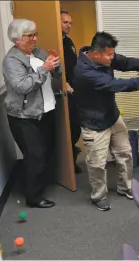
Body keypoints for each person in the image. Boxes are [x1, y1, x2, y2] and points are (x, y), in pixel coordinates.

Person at [73, 31, 139, 211]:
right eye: (109, 55)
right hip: (94, 123)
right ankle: (98, 196)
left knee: (125, 153)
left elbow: (127, 62)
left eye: (112, 54)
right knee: (97, 163)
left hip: (112, 115)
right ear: (96, 54)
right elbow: (115, 85)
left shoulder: (105, 56)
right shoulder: (84, 72)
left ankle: (125, 187)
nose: (112, 58)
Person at [2, 19, 62, 208]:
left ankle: (40, 183)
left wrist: (55, 63)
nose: (35, 39)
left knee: (48, 150)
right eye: (30, 36)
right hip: (24, 117)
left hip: (47, 110)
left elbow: (56, 73)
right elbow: (22, 86)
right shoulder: (11, 61)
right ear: (17, 39)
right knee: (35, 155)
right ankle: (33, 197)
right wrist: (45, 68)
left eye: (36, 34)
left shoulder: (38, 51)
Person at [60, 10, 82, 174]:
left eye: (70, 23)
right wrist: (63, 82)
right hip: (60, 93)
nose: (69, 26)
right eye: (65, 22)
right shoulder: (55, 43)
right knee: (63, 130)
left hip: (74, 91)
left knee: (75, 128)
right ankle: (65, 168)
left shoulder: (69, 42)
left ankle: (71, 162)